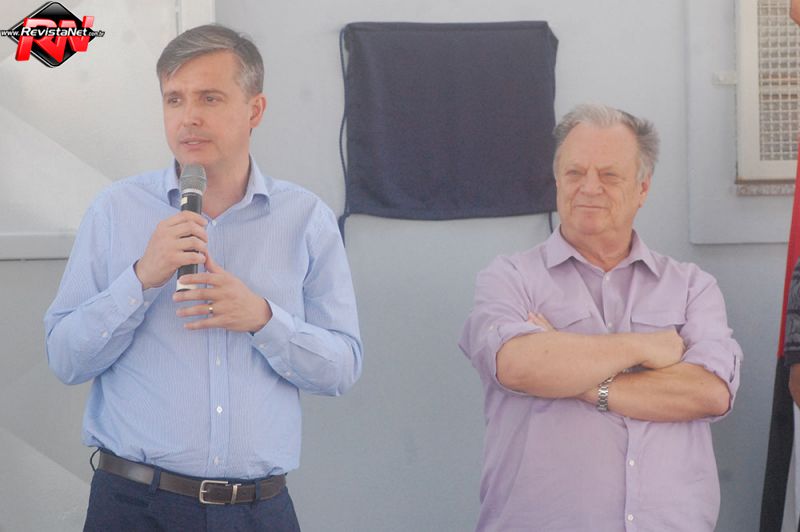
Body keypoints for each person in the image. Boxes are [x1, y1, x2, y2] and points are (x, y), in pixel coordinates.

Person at [44, 24, 362, 531]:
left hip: (259, 511)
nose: (188, 116)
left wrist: (263, 319)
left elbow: (342, 368)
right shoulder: (115, 210)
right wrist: (141, 279)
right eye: (174, 99)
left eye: (209, 98)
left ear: (255, 110)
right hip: (135, 507)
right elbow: (64, 359)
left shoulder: (306, 220)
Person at [459, 103, 742, 531]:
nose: (589, 187)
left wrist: (577, 380)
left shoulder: (691, 287)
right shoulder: (510, 278)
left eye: (609, 175)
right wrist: (645, 346)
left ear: (643, 188)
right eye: (575, 173)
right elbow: (516, 365)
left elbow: (708, 393)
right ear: (558, 181)